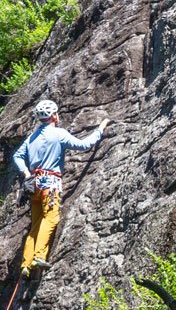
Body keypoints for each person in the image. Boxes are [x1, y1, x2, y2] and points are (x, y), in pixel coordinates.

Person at [12, 98, 106, 277]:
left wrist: (26, 173)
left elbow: (17, 156)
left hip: (33, 185)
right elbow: (84, 145)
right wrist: (99, 130)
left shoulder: (31, 138)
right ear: (54, 115)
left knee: (36, 224)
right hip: (50, 184)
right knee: (51, 218)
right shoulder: (58, 134)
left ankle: (25, 264)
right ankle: (39, 256)